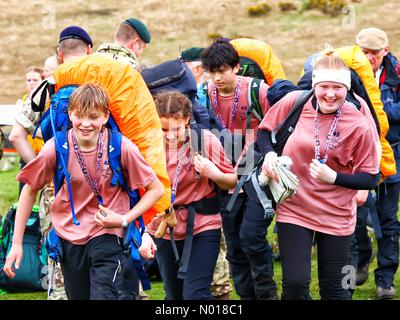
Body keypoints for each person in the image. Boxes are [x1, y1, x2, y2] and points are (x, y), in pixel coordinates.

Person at [4, 83, 164, 300]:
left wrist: (124, 219)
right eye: (80, 116)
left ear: (105, 116)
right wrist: (16, 244)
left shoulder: (120, 146)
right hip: (69, 238)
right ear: (70, 114)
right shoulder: (57, 147)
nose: (86, 124)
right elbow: (29, 190)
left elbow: (155, 189)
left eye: (94, 116)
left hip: (108, 236)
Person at [258, 48, 380, 300]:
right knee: (294, 284)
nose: (331, 94)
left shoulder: (359, 124)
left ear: (347, 89)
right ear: (315, 84)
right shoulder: (295, 102)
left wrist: (333, 177)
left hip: (338, 214)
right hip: (295, 208)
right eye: (324, 86)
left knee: (337, 288)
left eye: (338, 87)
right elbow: (264, 131)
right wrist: (270, 154)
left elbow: (370, 178)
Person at [8, 25, 93, 300]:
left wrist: (41, 170)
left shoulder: (46, 87)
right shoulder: (100, 84)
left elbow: (16, 134)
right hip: (98, 188)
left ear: (59, 53)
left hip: (55, 189)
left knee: (60, 267)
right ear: (89, 50)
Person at [201, 39, 278, 300]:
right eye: (212, 71)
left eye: (222, 70)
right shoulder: (205, 93)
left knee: (251, 237)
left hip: (257, 175)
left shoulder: (258, 91)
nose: (217, 77)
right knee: (234, 247)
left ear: (236, 67)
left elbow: (276, 128)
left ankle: (267, 294)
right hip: (223, 175)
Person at [146, 91, 237, 300]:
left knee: (195, 294)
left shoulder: (205, 142)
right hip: (163, 226)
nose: (169, 136)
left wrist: (213, 173)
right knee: (174, 296)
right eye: (163, 129)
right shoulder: (149, 144)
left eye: (175, 129)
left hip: (202, 224)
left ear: (186, 119)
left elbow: (232, 180)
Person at [181, 46, 232, 300]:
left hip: (217, 174)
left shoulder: (200, 96)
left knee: (220, 260)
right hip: (210, 176)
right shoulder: (198, 94)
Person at [355, 27, 400, 299]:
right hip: (355, 158)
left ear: (385, 51)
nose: (369, 57)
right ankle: (361, 258)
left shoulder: (397, 74)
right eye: (364, 52)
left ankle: (385, 280)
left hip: (390, 156)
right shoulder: (347, 70)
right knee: (353, 216)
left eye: (374, 52)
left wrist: (375, 105)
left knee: (388, 220)